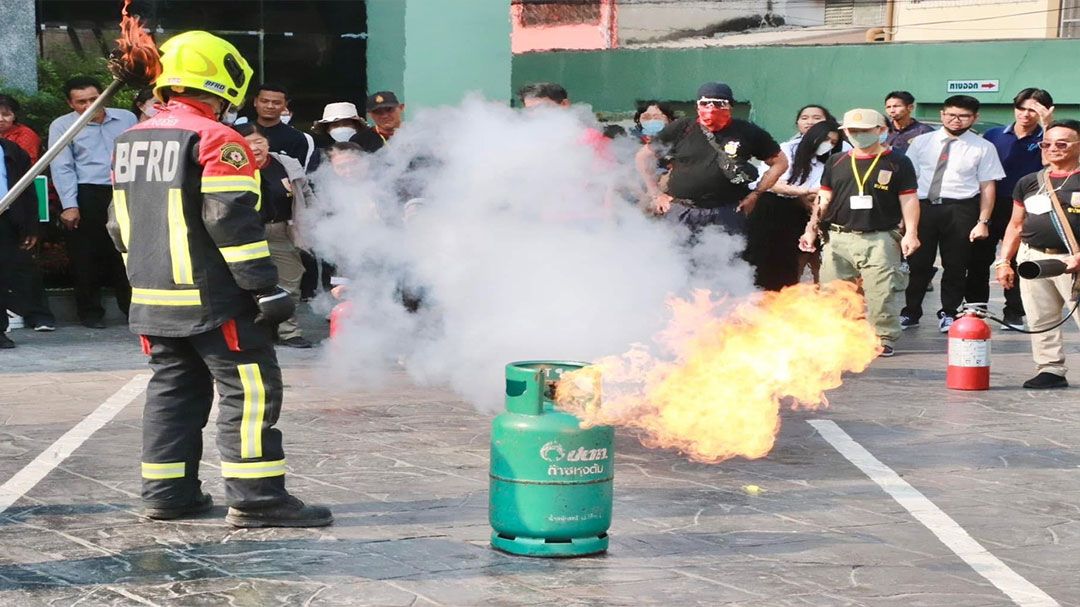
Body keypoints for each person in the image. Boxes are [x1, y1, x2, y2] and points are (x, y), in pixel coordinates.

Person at [107, 31, 331, 527]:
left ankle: (167, 495)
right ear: (222, 79)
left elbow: (116, 225)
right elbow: (229, 219)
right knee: (249, 392)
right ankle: (258, 499)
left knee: (172, 392)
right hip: (215, 298)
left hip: (152, 295)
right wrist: (264, 286)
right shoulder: (214, 138)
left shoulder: (130, 140)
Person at [799, 109, 920, 357]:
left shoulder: (898, 161)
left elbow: (908, 199)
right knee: (834, 292)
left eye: (864, 131)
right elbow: (824, 198)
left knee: (881, 291)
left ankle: (883, 336)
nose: (858, 135)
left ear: (881, 130)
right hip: (838, 236)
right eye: (852, 131)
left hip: (879, 237)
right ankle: (838, 335)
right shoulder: (837, 161)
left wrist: (911, 233)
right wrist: (811, 228)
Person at [900, 95, 1004, 332]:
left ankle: (949, 312)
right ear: (942, 115)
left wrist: (983, 221)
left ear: (975, 118)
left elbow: (987, 187)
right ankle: (910, 311)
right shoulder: (921, 142)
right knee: (918, 264)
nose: (956, 120)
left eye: (964, 116)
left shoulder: (983, 147)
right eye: (951, 115)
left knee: (956, 264)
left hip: (960, 209)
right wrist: (904, 218)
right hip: (923, 207)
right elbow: (907, 182)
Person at [637, 81, 787, 237]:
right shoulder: (681, 128)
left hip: (727, 212)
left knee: (726, 260)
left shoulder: (748, 131)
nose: (711, 108)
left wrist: (756, 194)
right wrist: (655, 193)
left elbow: (780, 163)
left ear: (730, 106)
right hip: (682, 210)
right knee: (677, 259)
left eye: (719, 103)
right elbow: (642, 157)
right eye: (705, 103)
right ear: (697, 106)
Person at [996, 120, 1080, 389]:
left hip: (1073, 259)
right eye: (1047, 144)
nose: (1053, 148)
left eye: (1062, 143)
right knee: (1040, 317)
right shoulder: (1029, 182)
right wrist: (1004, 261)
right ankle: (1050, 369)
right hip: (1033, 258)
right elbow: (1016, 224)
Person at [48, 76, 137, 328]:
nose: (89, 105)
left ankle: (133, 310)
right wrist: (69, 205)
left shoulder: (126, 119)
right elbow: (62, 166)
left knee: (127, 252)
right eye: (81, 102)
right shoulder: (62, 126)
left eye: (93, 99)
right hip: (86, 193)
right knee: (85, 256)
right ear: (70, 103)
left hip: (124, 190)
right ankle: (90, 313)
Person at [972, 88, 1054, 330]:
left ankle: (1014, 313)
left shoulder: (1046, 138)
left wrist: (1047, 126)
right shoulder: (994, 135)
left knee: (1018, 260)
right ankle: (976, 307)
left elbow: (1048, 163)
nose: (1026, 114)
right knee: (978, 258)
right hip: (990, 204)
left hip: (1025, 207)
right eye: (1021, 108)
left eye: (1033, 110)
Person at [235, 122, 315, 349]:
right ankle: (254, 330)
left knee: (289, 283)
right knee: (247, 283)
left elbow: (305, 194)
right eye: (247, 143)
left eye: (259, 141)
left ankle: (289, 332)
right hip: (244, 233)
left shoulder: (286, 164)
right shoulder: (233, 165)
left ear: (268, 142)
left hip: (281, 230)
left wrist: (312, 220)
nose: (254, 147)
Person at [757, 119, 849, 289]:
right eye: (825, 139)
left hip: (819, 211)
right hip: (778, 207)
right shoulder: (788, 150)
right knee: (786, 260)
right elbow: (771, 183)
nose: (827, 144)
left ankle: (820, 298)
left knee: (819, 261)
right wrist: (805, 192)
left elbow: (828, 191)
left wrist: (813, 216)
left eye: (833, 142)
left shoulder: (837, 157)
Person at [0, 137, 41, 348]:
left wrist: (30, 226)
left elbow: (27, 191)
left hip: (6, 220)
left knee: (3, 277)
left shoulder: (12, 151)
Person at [253, 83, 313, 169]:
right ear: (255, 102)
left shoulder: (297, 138)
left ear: (285, 105)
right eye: (264, 101)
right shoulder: (239, 132)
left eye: (276, 103)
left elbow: (298, 174)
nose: (270, 106)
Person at [0, 94, 41, 163]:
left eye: (6, 115)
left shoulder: (26, 135)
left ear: (14, 116)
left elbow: (26, 166)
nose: (0, 119)